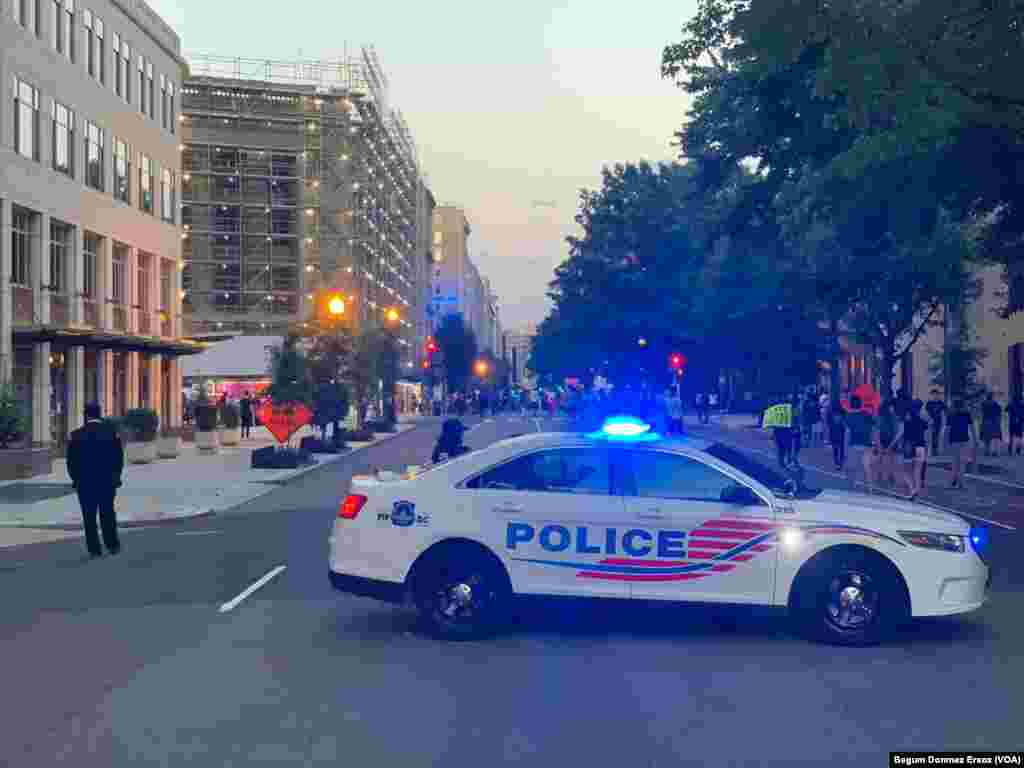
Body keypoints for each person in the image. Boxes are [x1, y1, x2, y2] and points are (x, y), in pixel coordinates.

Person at [66, 402, 124, 558]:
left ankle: (94, 549)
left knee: (88, 516)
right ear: (99, 414)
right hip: (107, 482)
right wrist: (116, 477)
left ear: (86, 415)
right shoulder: (111, 433)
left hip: (85, 483)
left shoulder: (76, 435)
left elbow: (71, 462)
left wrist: (76, 479)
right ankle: (112, 545)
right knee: (107, 513)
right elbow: (118, 458)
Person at [892, 399, 929, 500]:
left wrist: (891, 445)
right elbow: (927, 436)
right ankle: (917, 492)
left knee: (904, 470)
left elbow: (900, 433)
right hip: (921, 447)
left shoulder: (906, 419)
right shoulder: (924, 420)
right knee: (918, 471)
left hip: (909, 446)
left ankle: (912, 489)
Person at [844, 394, 877, 493]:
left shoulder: (848, 416)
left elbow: (847, 433)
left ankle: (852, 487)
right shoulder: (867, 415)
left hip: (853, 444)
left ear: (850, 404)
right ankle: (870, 488)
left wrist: (845, 449)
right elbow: (874, 429)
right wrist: (874, 443)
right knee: (867, 468)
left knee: (851, 467)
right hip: (867, 444)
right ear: (860, 404)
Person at [947, 399, 976, 489]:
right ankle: (961, 483)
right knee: (962, 462)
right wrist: (975, 439)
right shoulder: (967, 414)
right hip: (964, 439)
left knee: (955, 462)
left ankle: (953, 481)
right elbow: (972, 427)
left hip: (954, 439)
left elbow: (947, 429)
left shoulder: (951, 414)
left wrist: (945, 442)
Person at [876, 399, 898, 489]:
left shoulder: (881, 416)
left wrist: (878, 442)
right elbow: (895, 430)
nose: (893, 408)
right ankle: (890, 475)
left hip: (883, 438)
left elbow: (877, 430)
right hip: (890, 438)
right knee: (891, 458)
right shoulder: (892, 416)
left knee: (881, 458)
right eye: (892, 407)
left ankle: (880, 475)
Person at [925, 390, 947, 457]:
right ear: (931, 395)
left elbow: (944, 412)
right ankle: (930, 452)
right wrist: (929, 420)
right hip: (931, 423)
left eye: (936, 394)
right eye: (933, 395)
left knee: (937, 437)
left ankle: (936, 451)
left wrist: (944, 422)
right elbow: (926, 413)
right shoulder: (929, 403)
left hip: (939, 423)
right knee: (930, 437)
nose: (935, 396)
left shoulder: (941, 403)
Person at [827, 398, 847, 470]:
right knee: (841, 447)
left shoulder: (830, 411)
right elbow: (845, 420)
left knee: (835, 448)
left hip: (833, 431)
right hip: (841, 431)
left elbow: (828, 423)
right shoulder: (842, 410)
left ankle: (836, 462)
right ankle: (840, 462)